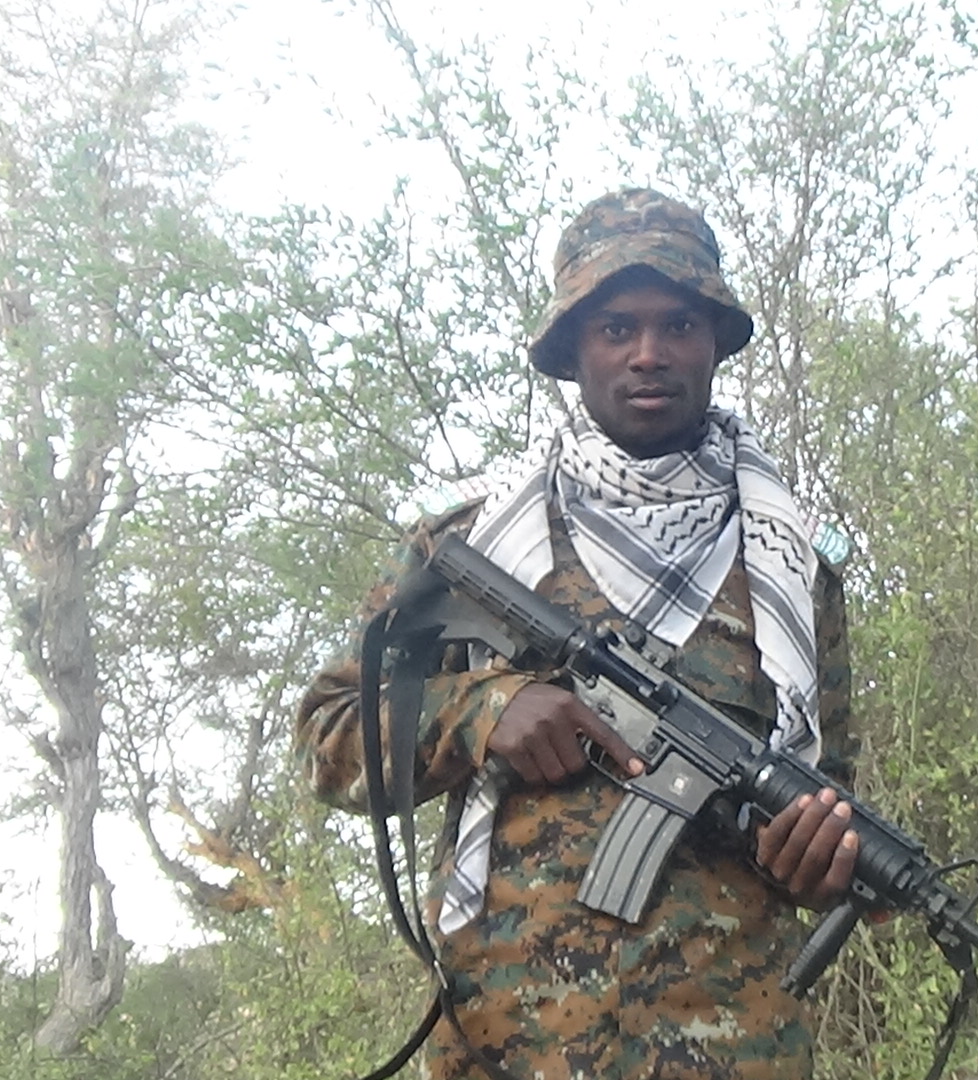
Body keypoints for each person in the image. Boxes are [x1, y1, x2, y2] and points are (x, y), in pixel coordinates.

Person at [294, 188, 861, 1080]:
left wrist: (821, 865)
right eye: (615, 328)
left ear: (714, 343)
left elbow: (824, 803)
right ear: (574, 351)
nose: (648, 353)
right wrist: (483, 710)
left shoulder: (788, 568)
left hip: (732, 1048)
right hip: (505, 1045)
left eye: (678, 325)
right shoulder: (475, 545)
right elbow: (327, 740)